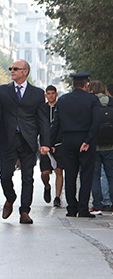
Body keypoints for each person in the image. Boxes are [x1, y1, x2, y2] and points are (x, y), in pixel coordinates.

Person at [0, 60, 50, 225]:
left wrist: (45, 142)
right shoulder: (2, 90)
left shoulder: (37, 93)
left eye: (16, 69)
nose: (12, 71)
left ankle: (24, 212)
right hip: (7, 139)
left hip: (28, 140)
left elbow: (42, 119)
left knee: (28, 178)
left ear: (25, 72)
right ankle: (10, 197)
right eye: (11, 69)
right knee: (5, 176)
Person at [51, 73, 101, 218]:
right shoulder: (92, 99)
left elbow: (56, 124)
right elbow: (95, 122)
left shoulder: (63, 100)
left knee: (70, 174)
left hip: (68, 140)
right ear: (86, 84)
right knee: (86, 175)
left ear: (73, 84)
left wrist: (48, 142)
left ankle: (71, 208)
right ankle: (83, 208)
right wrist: (88, 140)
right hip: (85, 140)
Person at [40, 85, 64, 207]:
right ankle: (47, 186)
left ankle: (57, 197)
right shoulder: (42, 109)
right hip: (44, 144)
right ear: (45, 95)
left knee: (59, 170)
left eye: (52, 93)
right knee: (45, 172)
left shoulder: (61, 108)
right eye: (48, 93)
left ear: (56, 94)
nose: (50, 95)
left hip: (58, 144)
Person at [91, 83, 113, 213]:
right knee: (111, 176)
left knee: (95, 176)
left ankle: (97, 205)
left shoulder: (91, 102)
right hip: (110, 145)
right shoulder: (111, 101)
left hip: (94, 145)